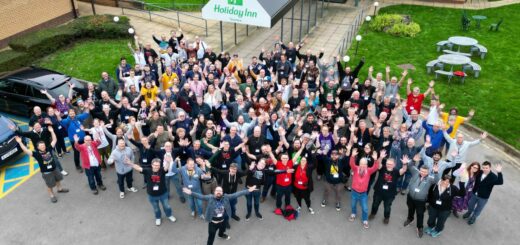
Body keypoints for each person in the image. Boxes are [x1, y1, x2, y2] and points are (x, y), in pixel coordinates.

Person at [182, 185, 257, 245]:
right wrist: (191, 193)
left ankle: (221, 235)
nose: (219, 192)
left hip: (223, 220)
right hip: (213, 223)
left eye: (220, 191)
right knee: (211, 238)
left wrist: (248, 190)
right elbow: (202, 197)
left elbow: (236, 194)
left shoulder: (226, 197)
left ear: (222, 192)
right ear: (214, 192)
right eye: (217, 190)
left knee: (222, 230)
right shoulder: (210, 197)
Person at [14, 128, 69, 203]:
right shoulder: (36, 154)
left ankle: (60, 189)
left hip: (54, 169)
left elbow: (54, 140)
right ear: (38, 147)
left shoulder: (49, 148)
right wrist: (20, 143)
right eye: (41, 146)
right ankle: (52, 196)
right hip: (47, 173)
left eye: (43, 145)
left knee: (58, 179)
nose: (43, 147)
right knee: (50, 185)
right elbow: (26, 150)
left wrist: (52, 131)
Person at [127, 158, 177, 226]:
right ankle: (158, 217)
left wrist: (168, 162)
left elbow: (166, 168)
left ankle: (169, 215)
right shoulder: (148, 170)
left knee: (167, 206)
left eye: (158, 165)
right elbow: (138, 168)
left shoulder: (162, 170)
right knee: (156, 208)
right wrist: (130, 163)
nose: (157, 167)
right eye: (155, 165)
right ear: (152, 165)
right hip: (152, 195)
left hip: (163, 193)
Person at [403, 155, 440, 238]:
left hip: (421, 201)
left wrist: (436, 172)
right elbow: (410, 165)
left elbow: (437, 180)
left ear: (428, 172)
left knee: (420, 214)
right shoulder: (415, 172)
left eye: (425, 172)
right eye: (422, 171)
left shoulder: (430, 178)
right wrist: (413, 160)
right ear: (419, 170)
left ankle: (419, 227)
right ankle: (410, 218)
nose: (423, 173)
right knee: (410, 209)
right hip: (410, 197)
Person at [349, 148, 382, 229]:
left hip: (363, 194)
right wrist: (352, 156)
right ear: (359, 163)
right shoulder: (356, 168)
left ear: (367, 165)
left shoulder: (369, 170)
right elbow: (351, 164)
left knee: (365, 208)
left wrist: (375, 160)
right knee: (353, 205)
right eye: (361, 163)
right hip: (354, 192)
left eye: (365, 164)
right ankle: (353, 214)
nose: (363, 165)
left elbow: (375, 167)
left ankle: (365, 220)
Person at [369, 156, 407, 224]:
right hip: (378, 192)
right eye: (387, 163)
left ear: (394, 165)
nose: (388, 165)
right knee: (375, 204)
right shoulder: (382, 168)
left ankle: (386, 218)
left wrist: (404, 164)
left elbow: (403, 170)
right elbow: (378, 164)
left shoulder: (396, 171)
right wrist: (380, 157)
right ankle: (373, 214)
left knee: (387, 207)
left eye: (390, 164)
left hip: (390, 194)